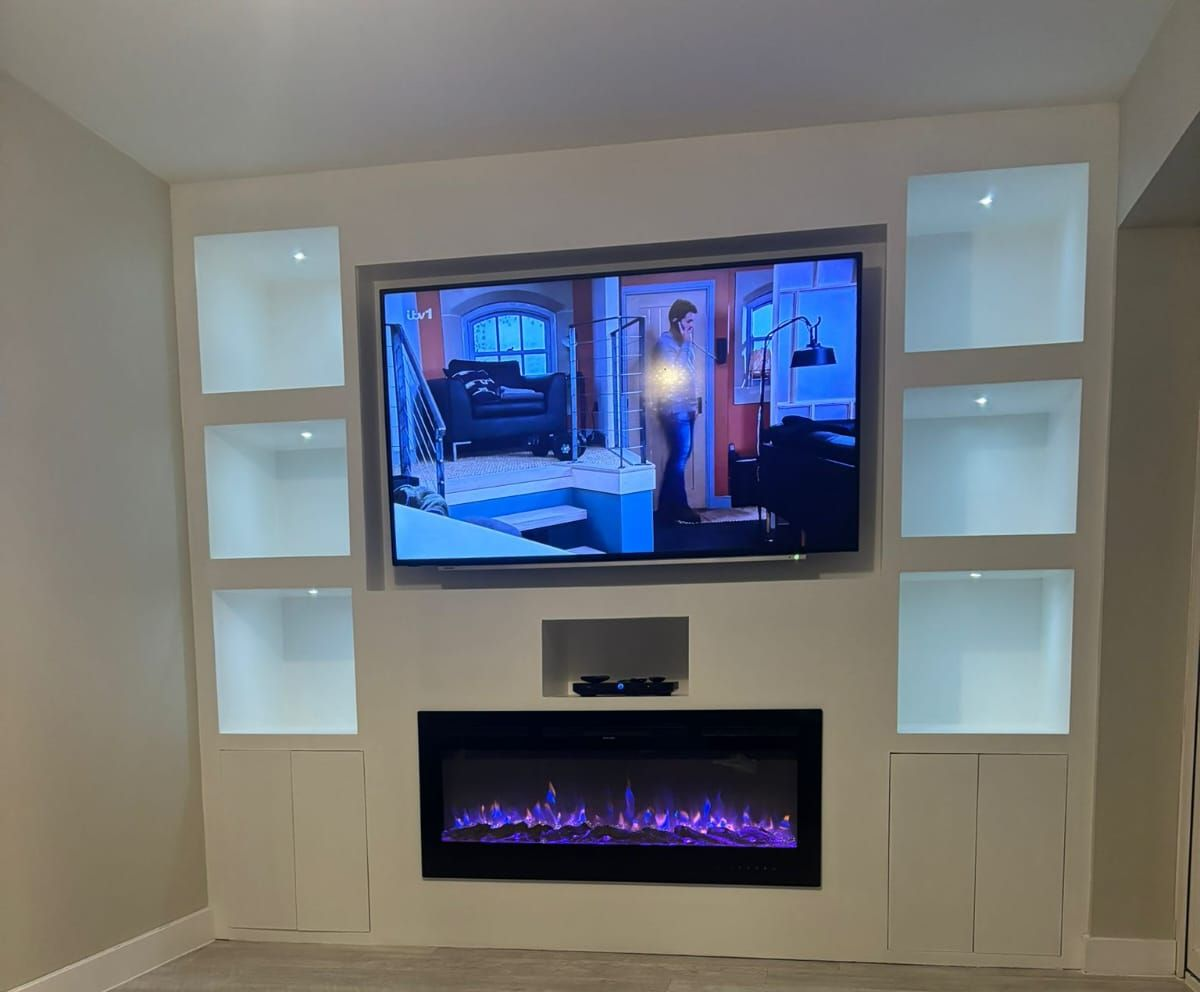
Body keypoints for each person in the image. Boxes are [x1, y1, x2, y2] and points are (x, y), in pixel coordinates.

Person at [651, 299, 701, 524]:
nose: (692, 325)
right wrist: (686, 344)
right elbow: (673, 374)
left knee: (681, 455)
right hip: (673, 406)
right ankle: (679, 508)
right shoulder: (665, 343)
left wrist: (694, 405)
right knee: (679, 457)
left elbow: (690, 373)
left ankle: (666, 509)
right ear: (676, 321)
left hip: (687, 405)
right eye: (689, 321)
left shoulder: (684, 343)